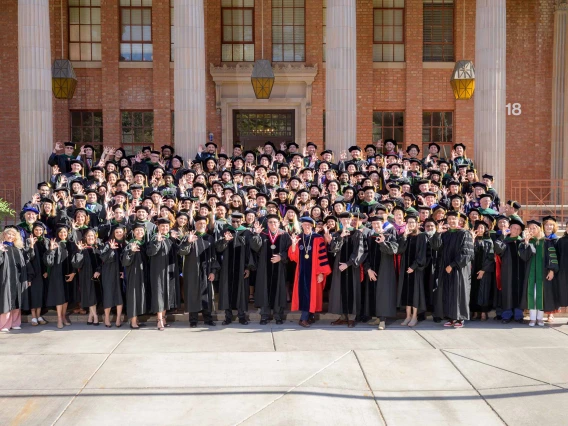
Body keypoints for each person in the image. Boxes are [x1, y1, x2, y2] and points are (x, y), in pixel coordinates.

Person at [430, 211, 474, 328]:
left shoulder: (465, 234)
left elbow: (467, 253)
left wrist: (453, 265)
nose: (451, 221)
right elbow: (436, 247)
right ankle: (450, 317)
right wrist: (437, 234)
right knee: (447, 293)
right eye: (449, 219)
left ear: (458, 220)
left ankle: (459, 319)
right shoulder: (445, 234)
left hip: (459, 269)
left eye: (453, 219)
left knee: (459, 292)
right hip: (446, 268)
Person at [288, 217, 331, 327]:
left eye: (309, 225)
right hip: (301, 271)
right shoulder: (298, 238)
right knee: (305, 294)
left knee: (312, 295)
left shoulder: (318, 238)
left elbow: (323, 256)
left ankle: (308, 317)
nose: (306, 227)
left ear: (312, 226)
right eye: (304, 225)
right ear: (301, 226)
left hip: (314, 272)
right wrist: (293, 245)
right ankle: (304, 318)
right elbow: (293, 257)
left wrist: (321, 273)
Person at [250, 214, 292, 325]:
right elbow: (254, 247)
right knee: (264, 291)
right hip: (264, 268)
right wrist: (256, 234)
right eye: (270, 222)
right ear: (267, 224)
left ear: (279, 223)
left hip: (280, 269)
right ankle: (264, 316)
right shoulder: (262, 234)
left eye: (275, 222)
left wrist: (281, 257)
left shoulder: (284, 235)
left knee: (278, 291)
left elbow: (290, 250)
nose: (273, 224)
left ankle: (278, 316)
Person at [179, 216, 219, 328]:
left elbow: (213, 256)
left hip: (206, 271)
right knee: (193, 294)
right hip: (192, 271)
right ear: (195, 225)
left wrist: (213, 271)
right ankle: (193, 320)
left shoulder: (209, 238)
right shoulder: (189, 237)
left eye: (203, 223)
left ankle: (208, 318)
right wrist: (188, 242)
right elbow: (181, 252)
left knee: (207, 295)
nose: (201, 225)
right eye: (199, 223)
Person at [328, 212, 365, 327]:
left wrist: (348, 263)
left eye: (347, 220)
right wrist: (341, 237)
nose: (345, 222)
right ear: (340, 221)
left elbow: (359, 251)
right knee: (340, 291)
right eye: (343, 220)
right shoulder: (337, 234)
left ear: (351, 220)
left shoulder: (357, 233)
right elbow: (333, 249)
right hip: (339, 268)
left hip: (352, 268)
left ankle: (352, 318)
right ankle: (343, 316)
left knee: (352, 290)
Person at [519, 220, 559, 327]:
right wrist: (527, 243)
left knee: (541, 295)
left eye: (534, 228)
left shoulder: (546, 241)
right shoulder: (525, 242)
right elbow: (524, 257)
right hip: (530, 274)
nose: (532, 230)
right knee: (532, 295)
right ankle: (532, 318)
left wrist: (551, 270)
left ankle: (539, 318)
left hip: (543, 273)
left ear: (539, 228)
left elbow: (552, 256)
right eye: (530, 228)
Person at [363, 215, 398, 330]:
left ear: (382, 223)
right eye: (373, 224)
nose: (376, 226)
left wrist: (383, 242)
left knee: (383, 294)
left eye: (378, 224)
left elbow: (393, 250)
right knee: (373, 293)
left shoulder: (389, 235)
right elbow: (365, 254)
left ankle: (382, 320)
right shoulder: (370, 237)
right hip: (372, 270)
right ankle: (377, 317)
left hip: (385, 271)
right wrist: (368, 270)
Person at [147, 218, 181, 330]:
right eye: (162, 226)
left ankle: (164, 317)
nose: (165, 228)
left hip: (169, 271)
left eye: (167, 226)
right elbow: (150, 252)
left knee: (167, 293)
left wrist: (177, 240)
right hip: (157, 271)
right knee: (159, 294)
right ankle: (159, 320)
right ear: (158, 227)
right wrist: (157, 241)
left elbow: (179, 252)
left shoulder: (170, 239)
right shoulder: (154, 238)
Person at [494, 218, 528, 324]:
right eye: (514, 228)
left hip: (520, 273)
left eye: (518, 229)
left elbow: (527, 256)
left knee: (519, 292)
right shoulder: (504, 240)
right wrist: (503, 236)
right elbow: (498, 250)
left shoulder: (522, 242)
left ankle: (518, 315)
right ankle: (506, 315)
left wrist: (526, 243)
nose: (516, 230)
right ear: (510, 229)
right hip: (507, 272)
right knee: (507, 293)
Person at [397, 214, 427, 327]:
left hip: (416, 270)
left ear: (417, 223)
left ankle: (414, 316)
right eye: (409, 223)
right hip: (405, 269)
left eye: (413, 222)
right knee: (406, 293)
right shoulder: (406, 236)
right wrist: (404, 236)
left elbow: (422, 255)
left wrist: (413, 267)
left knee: (415, 293)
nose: (411, 224)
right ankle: (407, 316)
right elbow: (400, 250)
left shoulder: (421, 236)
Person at [44, 224, 76, 329]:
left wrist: (73, 272)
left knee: (66, 297)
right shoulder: (54, 244)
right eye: (61, 232)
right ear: (58, 234)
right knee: (59, 296)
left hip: (68, 273)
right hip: (57, 274)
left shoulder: (71, 244)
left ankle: (63, 316)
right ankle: (59, 318)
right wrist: (51, 250)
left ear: (67, 234)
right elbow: (48, 262)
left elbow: (75, 259)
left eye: (65, 232)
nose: (63, 234)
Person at [0, 226, 29, 332]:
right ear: (4, 235)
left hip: (18, 279)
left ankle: (15, 322)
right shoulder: (1, 247)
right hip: (5, 279)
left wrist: (26, 279)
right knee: (5, 300)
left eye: (13, 235)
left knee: (17, 300)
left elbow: (23, 265)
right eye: (9, 234)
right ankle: (4, 324)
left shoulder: (18, 249)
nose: (11, 236)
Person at [122, 223, 149, 329]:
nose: (139, 232)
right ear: (133, 232)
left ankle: (136, 319)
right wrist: (131, 252)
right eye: (137, 230)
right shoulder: (130, 245)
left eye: (141, 231)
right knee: (133, 296)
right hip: (133, 274)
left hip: (142, 274)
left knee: (138, 296)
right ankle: (133, 322)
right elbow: (125, 261)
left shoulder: (144, 244)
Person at [71, 228, 101, 326]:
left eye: (92, 236)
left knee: (94, 296)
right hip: (85, 276)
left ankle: (90, 316)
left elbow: (102, 262)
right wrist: (79, 251)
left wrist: (98, 270)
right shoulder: (82, 249)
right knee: (90, 295)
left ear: (95, 237)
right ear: (85, 237)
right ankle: (95, 316)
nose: (90, 237)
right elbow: (76, 264)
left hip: (97, 276)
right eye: (88, 236)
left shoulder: (98, 248)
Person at [99, 225, 126, 328]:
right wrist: (110, 249)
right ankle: (106, 317)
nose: (119, 234)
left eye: (120, 232)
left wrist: (123, 271)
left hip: (120, 273)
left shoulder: (124, 244)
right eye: (117, 232)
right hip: (109, 273)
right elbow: (104, 258)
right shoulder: (107, 244)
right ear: (113, 234)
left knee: (119, 296)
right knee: (108, 294)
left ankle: (118, 318)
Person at [469, 221, 495, 321]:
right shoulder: (472, 240)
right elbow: (468, 253)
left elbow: (490, 257)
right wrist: (472, 239)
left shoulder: (489, 241)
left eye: (482, 228)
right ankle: (475, 312)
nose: (480, 230)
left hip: (484, 271)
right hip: (473, 270)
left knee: (484, 292)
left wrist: (483, 270)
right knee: (474, 291)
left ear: (485, 230)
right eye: (478, 228)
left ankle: (484, 312)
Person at [26, 222, 48, 326]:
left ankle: (39, 315)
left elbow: (46, 259)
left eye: (40, 230)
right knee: (33, 295)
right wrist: (31, 245)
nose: (38, 232)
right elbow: (29, 258)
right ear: (33, 231)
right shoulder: (28, 241)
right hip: (32, 273)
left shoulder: (44, 241)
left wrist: (46, 271)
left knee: (40, 295)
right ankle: (33, 316)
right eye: (36, 230)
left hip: (42, 274)